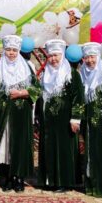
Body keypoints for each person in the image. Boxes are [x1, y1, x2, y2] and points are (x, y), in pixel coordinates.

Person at [0, 35, 40, 193]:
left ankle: (19, 177)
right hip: (2, 115)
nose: (11, 53)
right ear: (4, 51)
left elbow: (37, 89)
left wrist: (21, 93)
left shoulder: (27, 67)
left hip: (21, 114)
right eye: (8, 50)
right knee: (4, 144)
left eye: (14, 50)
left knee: (20, 144)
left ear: (19, 51)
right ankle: (6, 176)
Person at [36, 39, 83, 192]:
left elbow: (78, 97)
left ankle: (64, 182)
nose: (53, 59)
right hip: (48, 121)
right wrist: (38, 115)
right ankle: (49, 180)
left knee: (63, 150)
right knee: (49, 148)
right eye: (50, 56)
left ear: (62, 55)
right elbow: (40, 97)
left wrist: (75, 119)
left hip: (65, 121)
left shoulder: (72, 74)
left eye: (56, 55)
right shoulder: (45, 74)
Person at [79, 42, 102, 198]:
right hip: (87, 124)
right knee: (89, 154)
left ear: (99, 57)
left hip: (101, 124)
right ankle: (90, 186)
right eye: (87, 58)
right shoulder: (82, 74)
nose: (89, 61)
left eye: (92, 57)